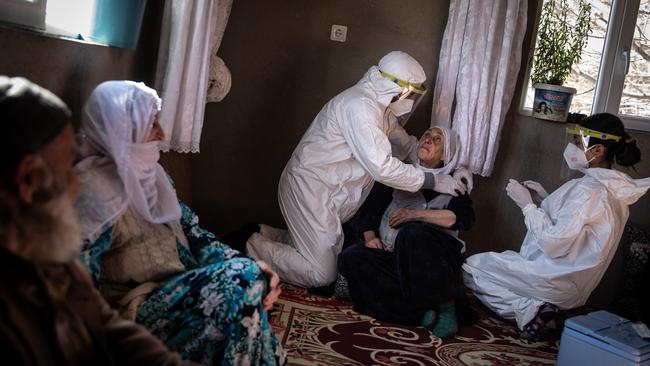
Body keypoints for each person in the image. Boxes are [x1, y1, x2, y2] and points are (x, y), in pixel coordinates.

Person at [75, 81, 285, 365]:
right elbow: (78, 288)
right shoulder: (92, 192)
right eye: (152, 124)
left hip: (181, 289)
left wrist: (255, 269)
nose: (162, 134)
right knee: (241, 282)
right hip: (137, 312)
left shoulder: (156, 178)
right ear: (122, 129)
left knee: (248, 279)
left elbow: (195, 234)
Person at [0, 76, 198, 365]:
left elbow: (109, 330)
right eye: (67, 170)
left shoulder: (54, 264)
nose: (76, 186)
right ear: (27, 179)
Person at [245, 51, 472, 288]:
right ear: (397, 88)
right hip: (310, 188)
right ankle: (250, 246)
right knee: (322, 275)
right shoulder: (360, 107)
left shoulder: (382, 111)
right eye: (411, 94)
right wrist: (432, 182)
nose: (411, 100)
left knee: (316, 249)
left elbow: (408, 147)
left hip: (329, 192)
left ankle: (263, 232)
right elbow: (382, 167)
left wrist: (454, 169)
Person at [463, 113, 650, 340]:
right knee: (498, 268)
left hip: (554, 277)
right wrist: (546, 200)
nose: (572, 148)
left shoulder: (588, 190)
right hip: (576, 285)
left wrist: (528, 206)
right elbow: (580, 227)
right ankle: (546, 309)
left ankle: (531, 311)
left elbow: (554, 244)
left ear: (598, 150)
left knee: (472, 268)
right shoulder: (614, 190)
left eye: (577, 142)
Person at [338, 127, 474, 338]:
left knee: (412, 233)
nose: (427, 140)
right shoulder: (400, 174)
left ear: (446, 155)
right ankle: (420, 314)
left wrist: (415, 214)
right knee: (351, 257)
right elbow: (367, 215)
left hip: (434, 267)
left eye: (437, 140)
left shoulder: (453, 184)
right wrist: (371, 238)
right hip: (395, 258)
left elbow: (463, 219)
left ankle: (446, 307)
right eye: (426, 135)